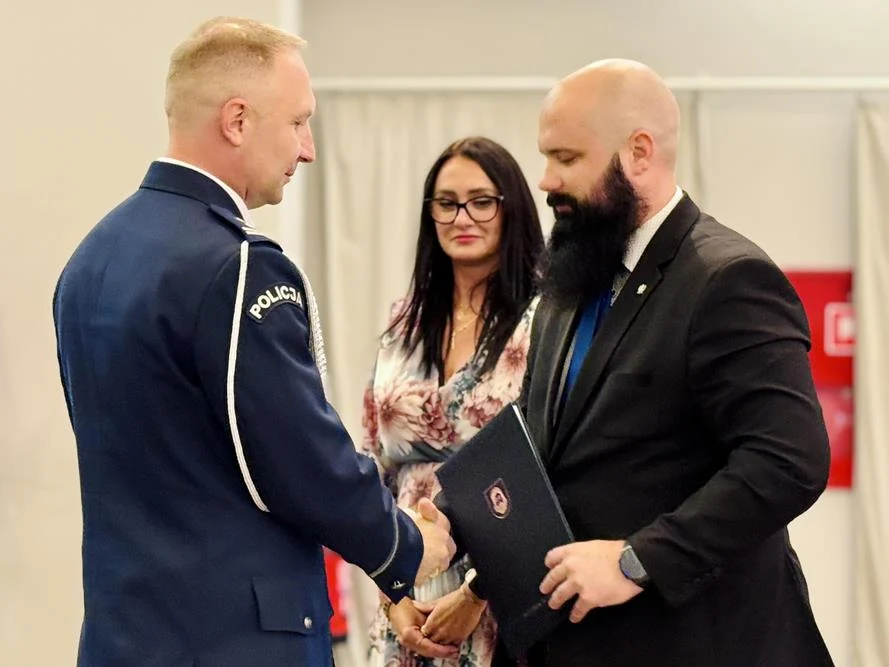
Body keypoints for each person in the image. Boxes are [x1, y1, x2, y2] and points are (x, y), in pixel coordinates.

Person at [52, 17, 454, 667]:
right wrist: (406, 547)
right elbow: (298, 459)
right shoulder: (238, 266)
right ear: (237, 121)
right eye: (297, 122)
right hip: (234, 638)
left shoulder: (89, 260)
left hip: (124, 636)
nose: (307, 149)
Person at [515, 59, 834, 666]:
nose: (546, 179)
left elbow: (788, 460)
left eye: (566, 158)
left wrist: (637, 560)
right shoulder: (573, 279)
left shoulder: (727, 280)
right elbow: (546, 450)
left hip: (703, 642)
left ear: (639, 152)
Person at [361, 136, 545, 666]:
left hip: (503, 588)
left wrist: (476, 592)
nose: (462, 216)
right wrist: (390, 589)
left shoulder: (546, 320)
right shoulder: (404, 322)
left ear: (511, 207)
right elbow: (373, 464)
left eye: (481, 200)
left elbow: (551, 471)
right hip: (405, 591)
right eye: (446, 202)